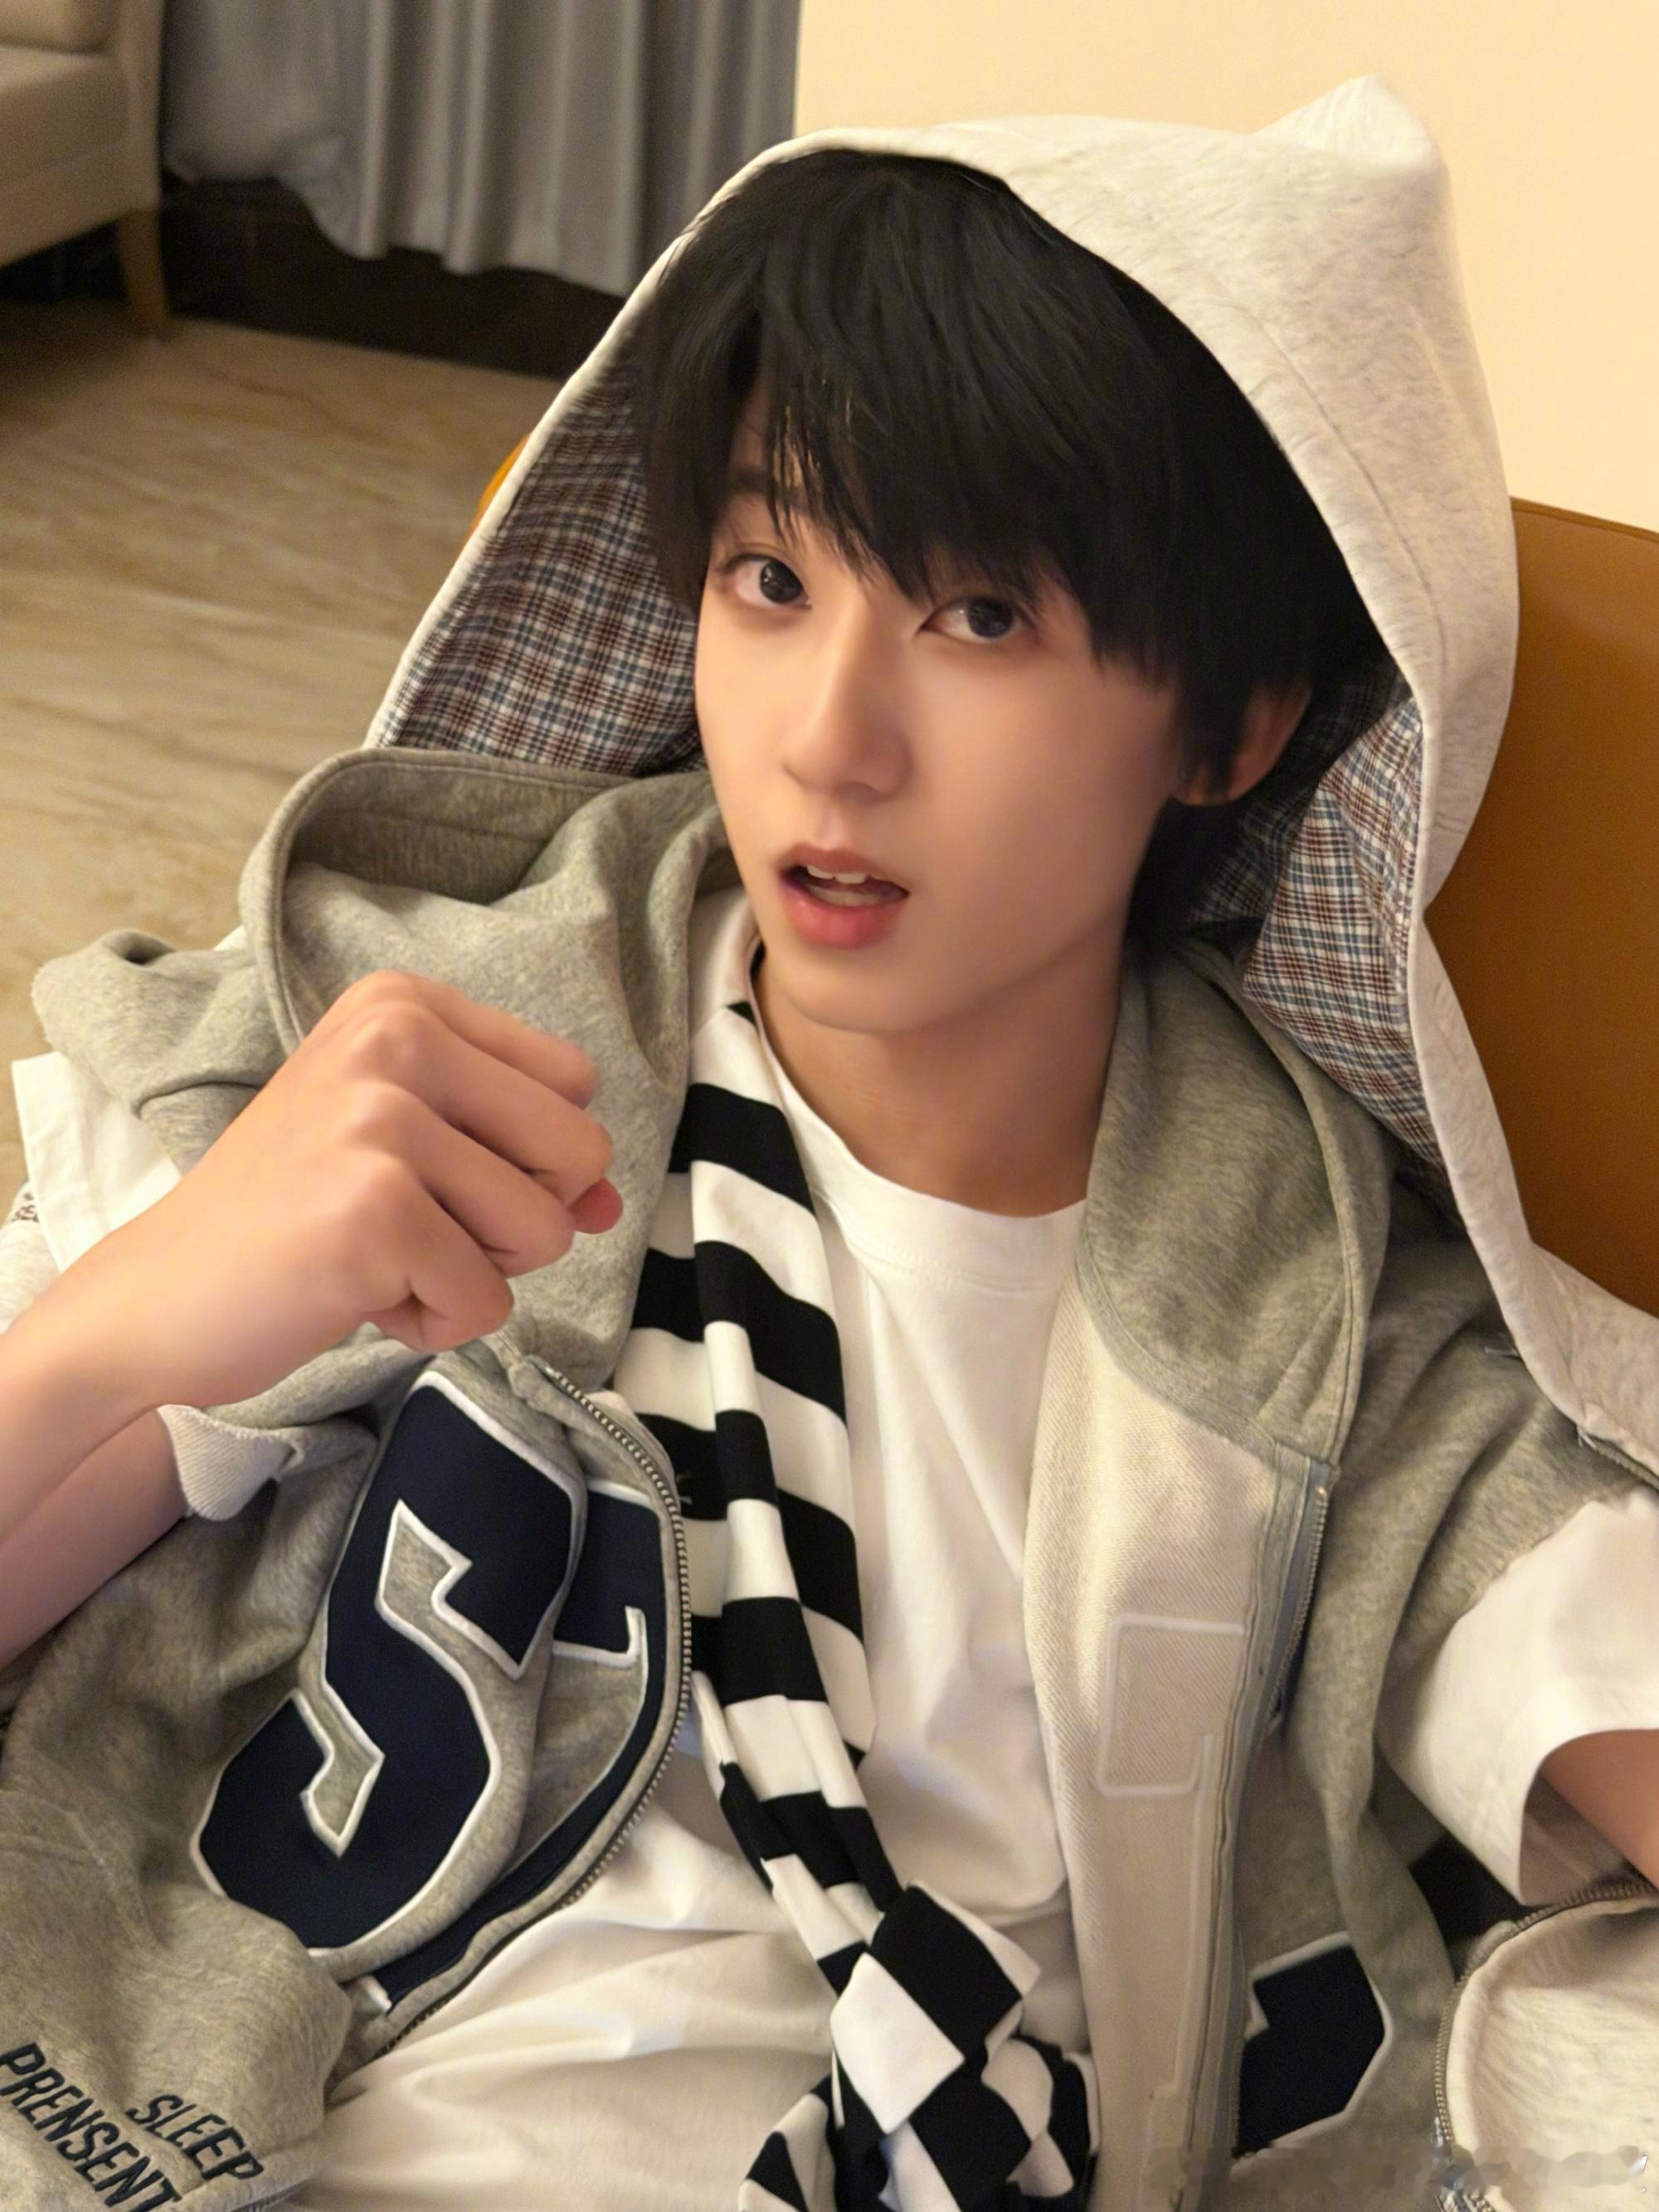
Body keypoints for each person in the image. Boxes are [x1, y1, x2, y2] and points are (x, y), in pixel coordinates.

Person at [1, 73, 1656, 2212]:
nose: (828, 741)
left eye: (983, 618)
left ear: (1232, 725)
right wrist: (139, 1316)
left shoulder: (1335, 1357)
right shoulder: (383, 1035)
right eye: (771, 576)